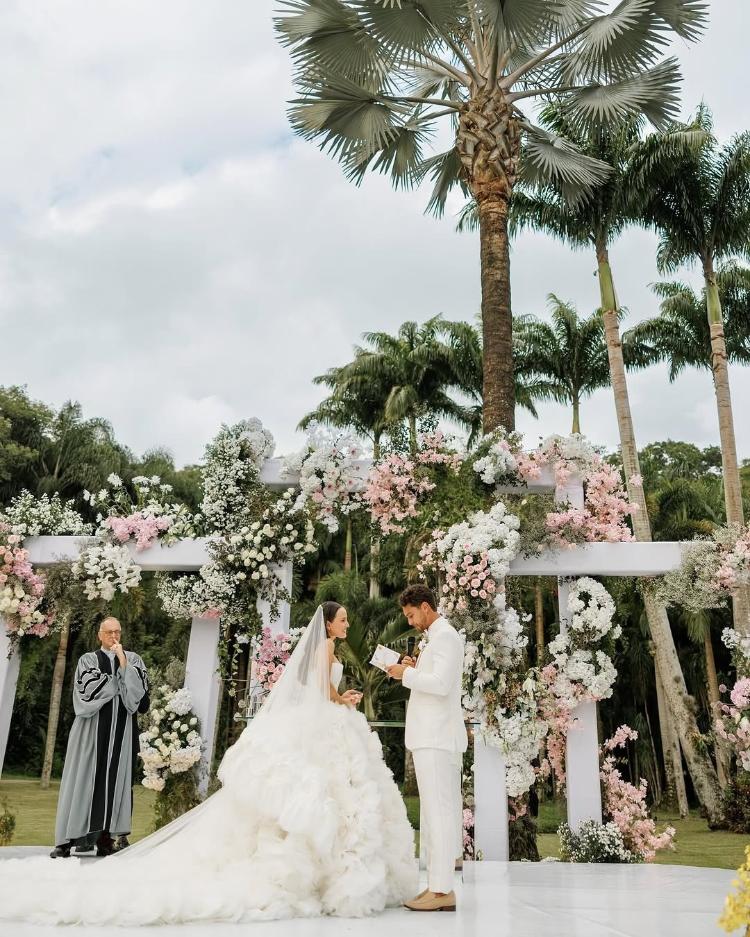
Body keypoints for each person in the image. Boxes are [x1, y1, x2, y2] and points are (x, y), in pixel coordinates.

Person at [0, 604, 417, 925]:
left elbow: (318, 686)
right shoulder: (327, 646)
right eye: (343, 619)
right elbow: (324, 689)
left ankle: (108, 834)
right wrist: (340, 699)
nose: (346, 624)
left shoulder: (135, 661)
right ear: (328, 625)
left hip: (317, 722)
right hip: (97, 733)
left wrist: (337, 697)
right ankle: (79, 835)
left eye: (118, 632)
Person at [387, 584, 467, 913]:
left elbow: (441, 685)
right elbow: (431, 678)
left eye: (410, 615)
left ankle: (443, 890)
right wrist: (413, 670)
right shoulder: (435, 637)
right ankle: (436, 886)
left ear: (425, 606)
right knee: (433, 816)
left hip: (436, 737)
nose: (409, 622)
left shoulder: (445, 635)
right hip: (429, 736)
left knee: (440, 813)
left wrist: (407, 675)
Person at [50, 616, 149, 859]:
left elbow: (139, 698)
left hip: (122, 733)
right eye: (109, 633)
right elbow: (88, 690)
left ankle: (106, 839)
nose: (114, 637)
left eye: (117, 632)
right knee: (82, 779)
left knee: (114, 782)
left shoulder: (134, 659)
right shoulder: (88, 660)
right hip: (90, 732)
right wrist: (122, 679)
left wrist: (123, 662)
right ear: (100, 635)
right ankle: (66, 841)